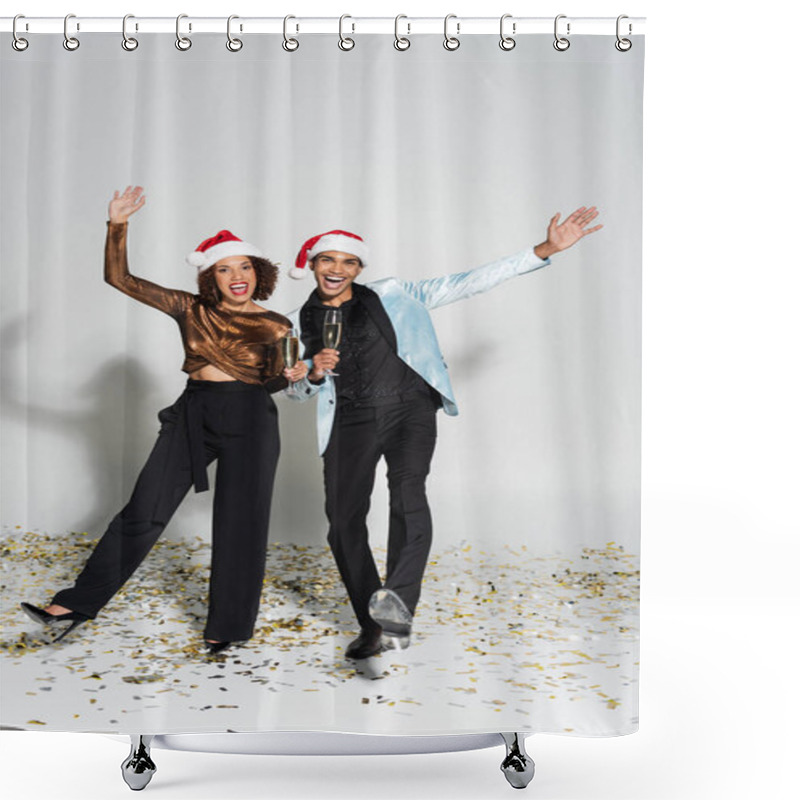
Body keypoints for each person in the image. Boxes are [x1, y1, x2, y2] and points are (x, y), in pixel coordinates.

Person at [286, 208, 603, 659]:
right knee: (342, 524)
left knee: (408, 494)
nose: (337, 270)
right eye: (328, 261)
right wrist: (313, 374)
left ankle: (395, 603)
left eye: (349, 262)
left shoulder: (396, 293)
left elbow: (467, 281)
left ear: (359, 268)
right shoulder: (294, 322)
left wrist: (544, 250)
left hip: (409, 408)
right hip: (349, 421)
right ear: (313, 265)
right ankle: (372, 622)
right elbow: (295, 392)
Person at [20, 186, 307, 654]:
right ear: (210, 276)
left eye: (245, 266)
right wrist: (117, 225)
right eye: (224, 268)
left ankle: (228, 626)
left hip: (251, 418)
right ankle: (75, 604)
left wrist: (291, 374)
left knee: (241, 524)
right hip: (193, 413)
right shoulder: (188, 308)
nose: (237, 275)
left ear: (259, 272)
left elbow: (272, 382)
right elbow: (120, 279)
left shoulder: (277, 325)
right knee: (143, 511)